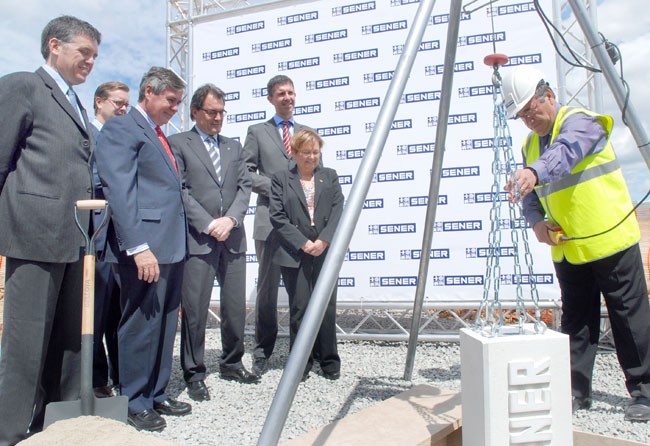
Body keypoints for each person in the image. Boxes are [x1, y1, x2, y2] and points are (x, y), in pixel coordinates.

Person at [502, 65, 650, 420]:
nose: (528, 121)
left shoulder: (583, 122)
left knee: (629, 319)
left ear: (548, 96)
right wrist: (536, 222)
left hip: (610, 241)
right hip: (568, 248)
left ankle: (644, 392)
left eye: (531, 111)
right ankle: (575, 391)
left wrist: (534, 171)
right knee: (576, 324)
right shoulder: (530, 144)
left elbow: (566, 153)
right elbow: (532, 195)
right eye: (521, 116)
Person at [0, 15, 101, 445]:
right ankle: (8, 431)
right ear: (55, 46)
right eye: (84, 53)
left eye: (95, 56)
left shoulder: (75, 101)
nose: (90, 63)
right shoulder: (24, 85)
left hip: (76, 238)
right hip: (33, 235)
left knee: (69, 343)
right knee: (25, 345)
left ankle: (56, 428)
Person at [95, 67, 191, 432]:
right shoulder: (122, 127)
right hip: (145, 248)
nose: (174, 109)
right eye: (170, 101)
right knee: (140, 323)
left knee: (165, 323)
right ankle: (134, 400)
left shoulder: (158, 134)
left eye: (179, 103)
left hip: (171, 246)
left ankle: (157, 392)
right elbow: (120, 190)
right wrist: (138, 246)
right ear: (149, 91)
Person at [169, 84, 257, 400]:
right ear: (195, 112)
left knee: (234, 308)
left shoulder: (234, 147)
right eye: (211, 112)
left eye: (221, 112)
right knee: (195, 310)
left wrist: (230, 220)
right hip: (199, 241)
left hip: (232, 238)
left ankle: (232, 362)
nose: (218, 118)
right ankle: (194, 373)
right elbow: (180, 190)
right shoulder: (178, 143)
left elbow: (245, 187)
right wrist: (208, 223)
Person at [244, 75, 313, 376]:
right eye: (280, 93)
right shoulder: (256, 132)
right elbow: (245, 174)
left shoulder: (306, 134)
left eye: (290, 92)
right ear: (270, 99)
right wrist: (277, 186)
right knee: (267, 291)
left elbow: (315, 172)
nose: (287, 97)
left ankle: (301, 356)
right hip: (269, 223)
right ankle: (262, 353)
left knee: (301, 292)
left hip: (300, 225)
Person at [269, 129, 343, 381]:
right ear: (294, 153)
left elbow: (337, 210)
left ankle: (329, 360)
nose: (312, 157)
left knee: (326, 306)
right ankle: (301, 361)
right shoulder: (280, 179)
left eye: (315, 151)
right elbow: (277, 216)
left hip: (324, 252)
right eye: (306, 152)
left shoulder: (329, 176)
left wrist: (323, 240)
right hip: (295, 253)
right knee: (300, 307)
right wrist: (302, 243)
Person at [90, 81, 130, 398]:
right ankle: (96, 380)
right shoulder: (87, 135)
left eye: (126, 104)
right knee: (95, 313)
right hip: (95, 238)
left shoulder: (120, 140)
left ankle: (122, 375)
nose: (122, 109)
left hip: (122, 240)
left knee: (118, 312)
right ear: (99, 102)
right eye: (117, 103)